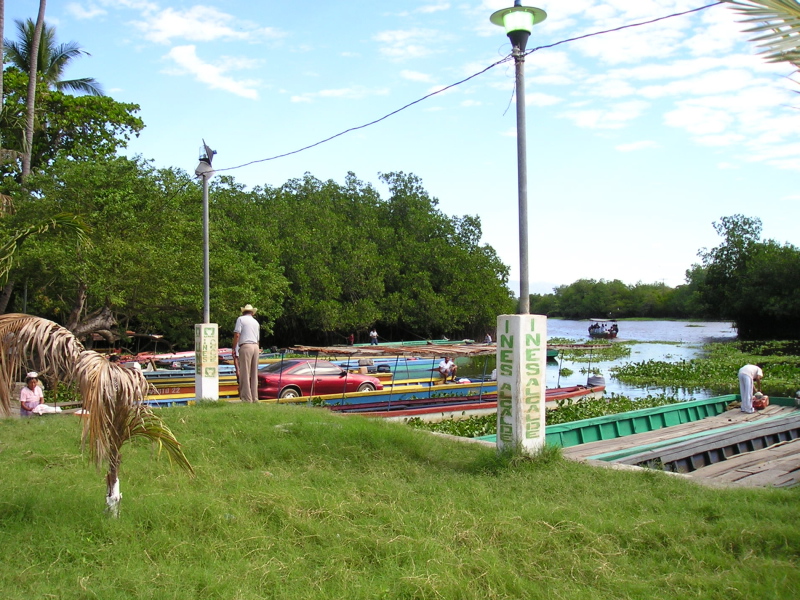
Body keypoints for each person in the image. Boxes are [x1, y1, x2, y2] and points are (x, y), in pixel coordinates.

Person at [232, 303, 261, 403]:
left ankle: (246, 398)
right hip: (255, 346)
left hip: (246, 346)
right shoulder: (256, 322)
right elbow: (257, 339)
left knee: (245, 372)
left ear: (243, 312)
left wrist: (234, 347)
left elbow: (237, 335)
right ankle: (255, 397)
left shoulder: (240, 319)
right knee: (254, 373)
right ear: (252, 313)